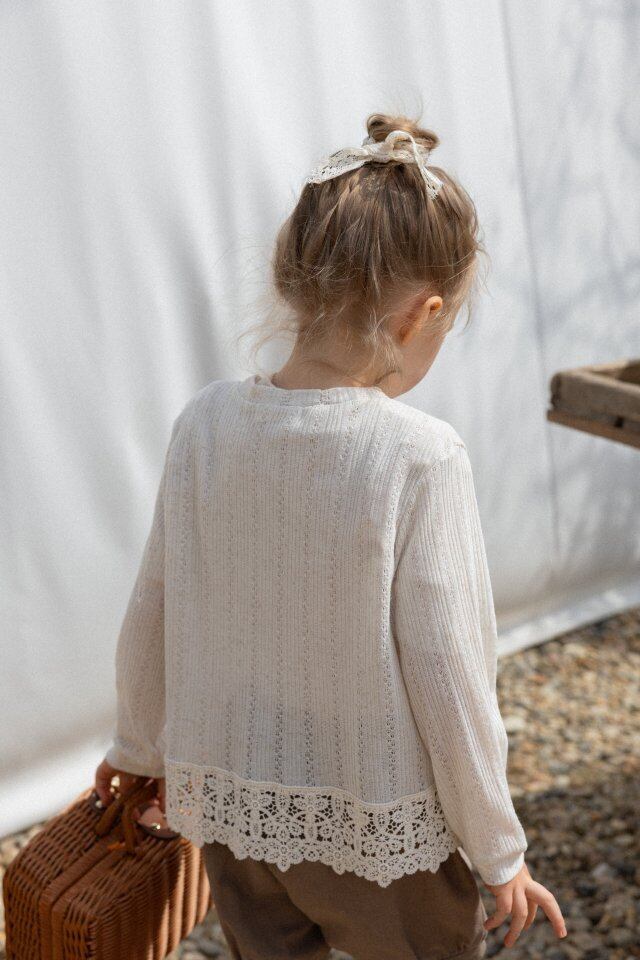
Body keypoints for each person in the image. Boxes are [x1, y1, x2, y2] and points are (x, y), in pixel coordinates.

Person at [95, 111, 567, 959]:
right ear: (423, 315)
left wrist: (137, 745)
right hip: (379, 828)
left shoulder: (204, 424)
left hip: (238, 816)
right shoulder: (418, 455)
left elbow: (153, 606)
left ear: (291, 275)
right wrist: (501, 852)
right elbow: (451, 676)